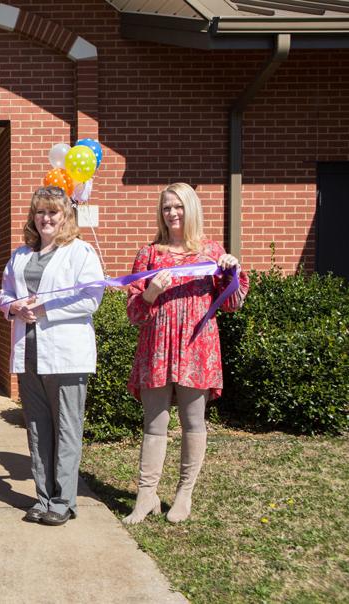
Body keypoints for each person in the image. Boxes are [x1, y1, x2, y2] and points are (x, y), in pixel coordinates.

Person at [123, 182, 248, 525]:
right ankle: (146, 496)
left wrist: (232, 272)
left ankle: (184, 494)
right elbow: (133, 313)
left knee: (194, 422)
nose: (172, 213)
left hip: (197, 346)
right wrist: (151, 292)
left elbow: (233, 303)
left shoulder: (211, 252)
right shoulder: (149, 254)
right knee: (154, 423)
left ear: (190, 209)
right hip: (157, 346)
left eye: (177, 206)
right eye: (166, 207)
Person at [0, 186, 104, 526]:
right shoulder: (21, 254)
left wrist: (45, 310)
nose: (45, 218)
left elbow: (92, 298)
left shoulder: (80, 252)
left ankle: (63, 501)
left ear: (65, 216)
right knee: (37, 429)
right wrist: (13, 306)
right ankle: (42, 498)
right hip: (28, 352)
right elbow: (4, 293)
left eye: (53, 212)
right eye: (40, 212)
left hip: (65, 354)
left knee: (66, 429)